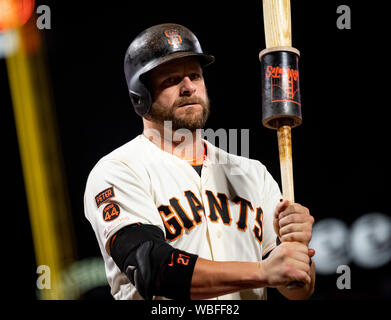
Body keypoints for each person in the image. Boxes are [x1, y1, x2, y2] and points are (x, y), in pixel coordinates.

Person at [84, 23, 315, 300]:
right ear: (140, 96)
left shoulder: (253, 173)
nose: (188, 87)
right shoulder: (118, 170)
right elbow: (151, 267)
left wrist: (297, 252)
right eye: (171, 80)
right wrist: (263, 271)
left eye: (195, 75)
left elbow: (297, 291)